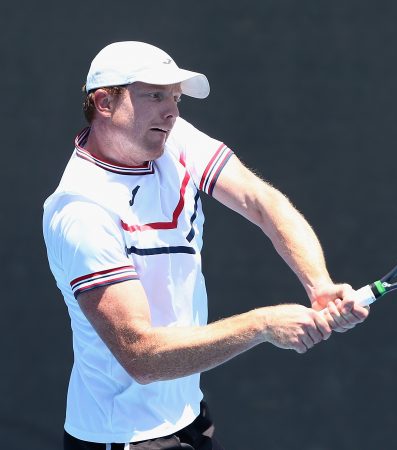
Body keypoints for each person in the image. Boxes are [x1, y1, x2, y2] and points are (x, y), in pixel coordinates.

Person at [42, 41, 370, 450]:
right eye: (155, 95)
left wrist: (318, 284)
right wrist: (262, 325)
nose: (172, 111)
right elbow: (141, 355)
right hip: (125, 439)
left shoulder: (171, 138)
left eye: (176, 98)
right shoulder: (81, 211)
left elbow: (259, 199)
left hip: (190, 418)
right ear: (105, 102)